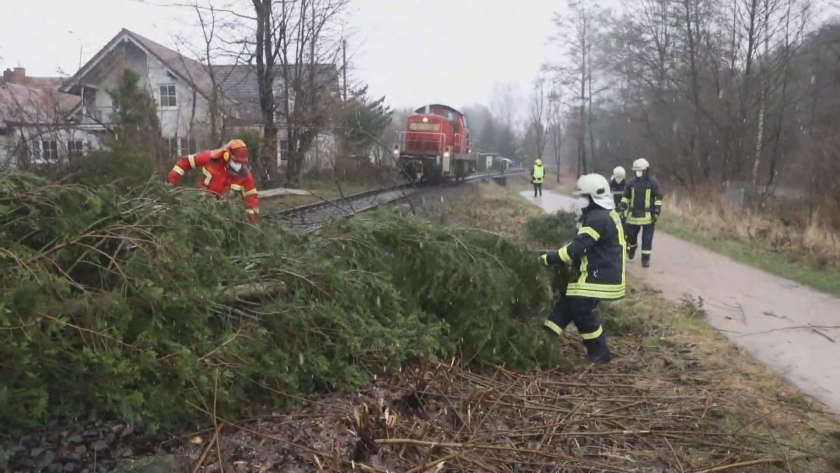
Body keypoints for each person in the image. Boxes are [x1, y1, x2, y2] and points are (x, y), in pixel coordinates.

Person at [539, 173, 626, 364]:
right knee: (568, 302)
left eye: (583, 196)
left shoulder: (597, 218)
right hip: (601, 273)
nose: (580, 200)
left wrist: (552, 258)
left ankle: (599, 351)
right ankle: (545, 338)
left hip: (600, 277)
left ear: (593, 198)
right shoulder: (601, 215)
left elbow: (579, 247)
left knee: (580, 308)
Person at [168, 139, 260, 223]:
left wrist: (252, 222)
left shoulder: (244, 175)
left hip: (225, 215)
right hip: (200, 205)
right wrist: (171, 183)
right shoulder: (211, 158)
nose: (238, 165)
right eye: (236, 162)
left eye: (241, 163)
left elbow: (251, 198)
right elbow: (186, 162)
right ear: (226, 155)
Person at [618, 158, 663, 268]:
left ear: (645, 171)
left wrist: (656, 211)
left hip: (648, 217)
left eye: (640, 171)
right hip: (632, 216)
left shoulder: (653, 183)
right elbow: (626, 197)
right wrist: (622, 205)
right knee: (631, 237)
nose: (638, 173)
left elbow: (658, 197)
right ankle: (632, 247)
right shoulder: (631, 183)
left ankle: (645, 259)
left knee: (647, 239)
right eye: (636, 171)